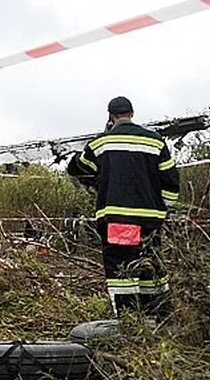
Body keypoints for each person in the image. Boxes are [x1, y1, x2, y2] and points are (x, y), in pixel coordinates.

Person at [68, 96, 180, 320]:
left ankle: (129, 321)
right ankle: (158, 319)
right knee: (151, 265)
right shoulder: (156, 141)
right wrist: (162, 211)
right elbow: (171, 181)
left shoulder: (101, 143)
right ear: (132, 113)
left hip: (119, 219)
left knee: (122, 269)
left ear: (111, 116)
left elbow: (76, 168)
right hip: (151, 222)